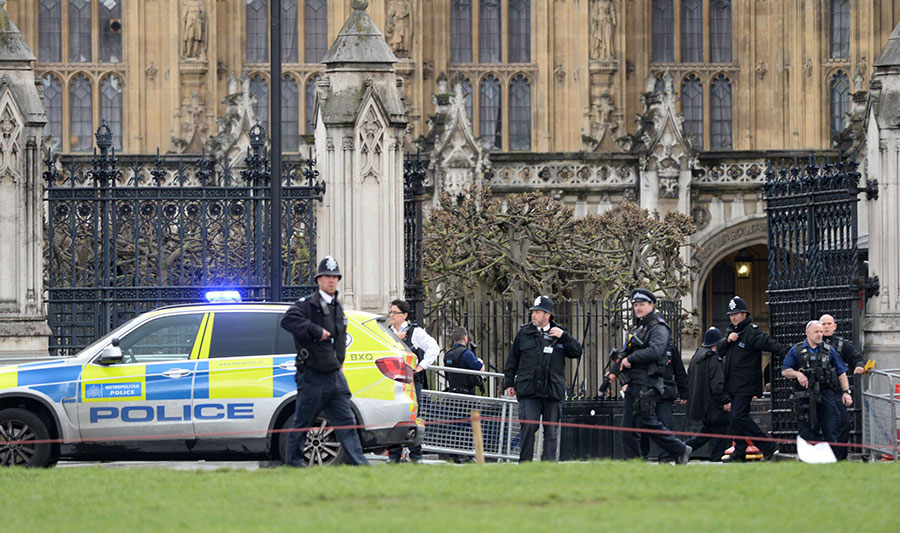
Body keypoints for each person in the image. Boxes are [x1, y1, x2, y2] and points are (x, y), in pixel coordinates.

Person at [280, 256, 370, 466]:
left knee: (347, 423)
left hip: (334, 376)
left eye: (335, 277)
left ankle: (361, 466)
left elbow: (339, 340)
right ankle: (292, 466)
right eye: (327, 276)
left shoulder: (337, 306)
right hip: (313, 376)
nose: (331, 281)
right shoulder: (306, 305)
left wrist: (340, 364)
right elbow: (288, 320)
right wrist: (315, 330)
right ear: (318, 279)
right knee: (302, 423)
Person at [609, 289, 691, 464]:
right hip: (634, 381)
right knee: (630, 426)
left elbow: (655, 351)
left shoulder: (658, 327)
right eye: (635, 305)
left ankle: (679, 449)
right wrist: (614, 372)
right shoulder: (638, 328)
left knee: (645, 422)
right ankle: (634, 461)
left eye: (641, 304)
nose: (638, 308)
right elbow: (625, 353)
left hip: (646, 381)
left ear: (651, 305)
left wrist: (631, 359)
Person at [503, 296, 582, 462]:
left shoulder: (559, 333)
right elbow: (512, 360)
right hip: (529, 390)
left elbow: (577, 352)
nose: (533, 315)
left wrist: (564, 337)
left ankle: (548, 467)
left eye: (537, 312)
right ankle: (525, 466)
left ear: (547, 315)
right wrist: (509, 383)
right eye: (533, 312)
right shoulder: (524, 334)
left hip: (552, 391)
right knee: (528, 428)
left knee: (551, 432)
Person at [717, 296, 785, 462]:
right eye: (731, 314)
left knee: (738, 416)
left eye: (737, 314)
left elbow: (769, 343)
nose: (733, 317)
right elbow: (719, 350)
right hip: (732, 383)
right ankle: (739, 451)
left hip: (745, 383)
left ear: (744, 314)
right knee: (734, 418)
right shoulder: (732, 332)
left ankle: (767, 445)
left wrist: (788, 354)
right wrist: (728, 340)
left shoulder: (750, 332)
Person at [386, 299, 441, 463]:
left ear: (405, 315)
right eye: (391, 312)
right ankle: (394, 454)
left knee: (411, 416)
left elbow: (434, 348)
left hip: (410, 382)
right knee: (392, 416)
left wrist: (421, 366)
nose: (392, 315)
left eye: (395, 312)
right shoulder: (387, 332)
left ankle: (415, 454)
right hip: (393, 380)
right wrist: (395, 338)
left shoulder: (415, 332)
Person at [782, 320, 853, 444]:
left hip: (826, 393)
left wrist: (846, 392)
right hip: (805, 395)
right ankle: (808, 460)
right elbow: (785, 371)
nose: (820, 334)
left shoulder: (829, 350)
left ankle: (831, 458)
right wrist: (798, 374)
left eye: (821, 332)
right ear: (807, 332)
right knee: (806, 429)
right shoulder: (797, 350)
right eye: (816, 332)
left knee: (831, 427)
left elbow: (841, 372)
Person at [820, 314, 865, 460]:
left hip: (836, 391)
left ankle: (840, 457)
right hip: (818, 391)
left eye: (829, 324)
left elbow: (857, 358)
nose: (826, 327)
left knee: (844, 423)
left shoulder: (841, 344)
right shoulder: (812, 344)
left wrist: (859, 367)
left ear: (835, 326)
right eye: (823, 324)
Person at [684, 327, 732, 462]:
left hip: (701, 403)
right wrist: (725, 400)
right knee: (720, 433)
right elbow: (717, 384)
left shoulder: (696, 357)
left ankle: (684, 448)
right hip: (714, 404)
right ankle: (716, 459)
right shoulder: (713, 359)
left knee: (706, 432)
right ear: (716, 344)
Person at [641, 338, 688, 461]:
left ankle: (665, 457)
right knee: (643, 424)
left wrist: (684, 392)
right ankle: (641, 454)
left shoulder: (670, 346)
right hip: (647, 391)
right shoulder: (642, 342)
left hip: (664, 392)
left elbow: (679, 370)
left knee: (665, 424)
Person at [443, 327, 484, 394]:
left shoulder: (447, 355)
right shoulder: (467, 354)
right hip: (466, 394)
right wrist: (480, 361)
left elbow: (447, 374)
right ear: (465, 338)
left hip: (452, 393)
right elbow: (480, 369)